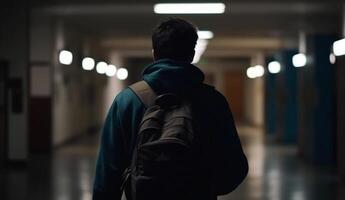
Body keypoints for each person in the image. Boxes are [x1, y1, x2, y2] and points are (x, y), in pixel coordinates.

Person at [92, 18, 248, 200]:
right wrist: (204, 186)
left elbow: (108, 170)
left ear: (154, 53)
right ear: (192, 54)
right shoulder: (213, 101)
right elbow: (234, 168)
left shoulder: (128, 100)